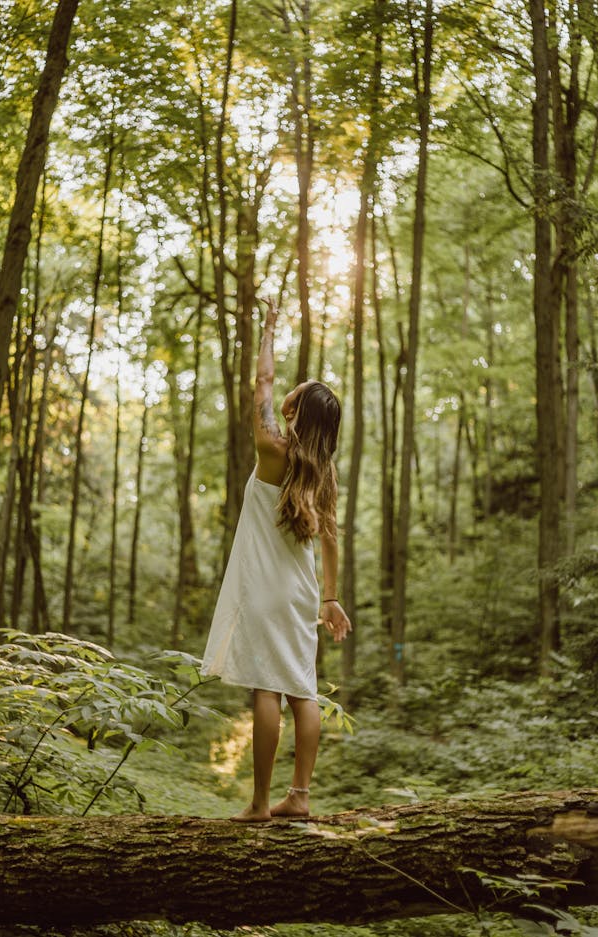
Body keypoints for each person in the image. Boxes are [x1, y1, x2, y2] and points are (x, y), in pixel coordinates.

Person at [200, 296, 351, 822]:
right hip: (302, 593)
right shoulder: (324, 473)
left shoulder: (272, 448)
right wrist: (331, 598)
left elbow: (263, 384)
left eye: (301, 389)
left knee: (268, 689)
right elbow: (331, 539)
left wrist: (267, 330)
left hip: (264, 592)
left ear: (296, 409)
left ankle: (262, 804)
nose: (293, 386)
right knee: (301, 690)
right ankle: (300, 798)